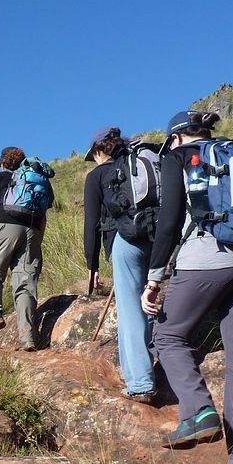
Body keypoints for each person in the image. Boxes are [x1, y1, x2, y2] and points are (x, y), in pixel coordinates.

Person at [141, 111, 233, 464]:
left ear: (177, 138)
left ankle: (199, 412)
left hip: (206, 262)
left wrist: (154, 279)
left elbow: (168, 222)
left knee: (167, 336)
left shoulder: (178, 158)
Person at [83, 127, 156, 403]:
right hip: (157, 238)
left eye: (94, 155)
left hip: (125, 243)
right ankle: (146, 369)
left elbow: (91, 224)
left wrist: (92, 264)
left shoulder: (97, 176)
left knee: (130, 312)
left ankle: (141, 382)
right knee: (149, 304)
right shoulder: (137, 167)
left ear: (100, 151)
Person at [0, 146, 50, 351]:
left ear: (3, 163)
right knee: (25, 284)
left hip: (6, 227)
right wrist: (36, 242)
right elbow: (43, 217)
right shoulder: (35, 181)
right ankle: (28, 339)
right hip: (32, 231)